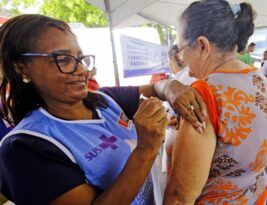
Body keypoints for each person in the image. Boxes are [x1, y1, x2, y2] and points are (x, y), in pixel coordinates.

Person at [0, 14, 206, 205]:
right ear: (22, 67)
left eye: (80, 59)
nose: (81, 70)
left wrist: (172, 88)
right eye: (63, 60)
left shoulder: (104, 100)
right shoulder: (25, 146)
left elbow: (154, 88)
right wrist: (146, 149)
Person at [163, 1, 267, 204]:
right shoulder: (260, 79)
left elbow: (179, 197)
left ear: (202, 46)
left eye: (182, 50)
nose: (184, 63)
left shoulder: (203, 95)